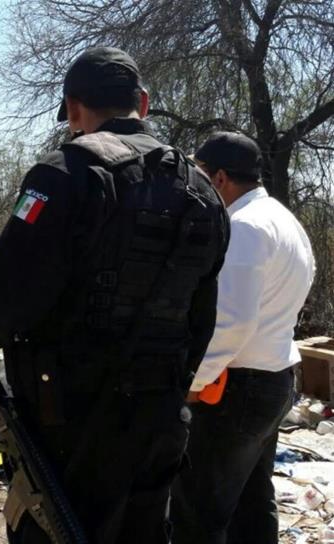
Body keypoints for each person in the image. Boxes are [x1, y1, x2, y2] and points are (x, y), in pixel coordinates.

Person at [0, 47, 229, 544]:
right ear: (143, 100)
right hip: (160, 417)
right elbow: (201, 320)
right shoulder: (204, 192)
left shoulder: (65, 174)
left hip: (71, 422)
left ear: (73, 109)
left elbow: (7, 288)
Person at [171, 132, 315, 544]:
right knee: (252, 502)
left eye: (198, 175)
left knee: (199, 511)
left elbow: (231, 323)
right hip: (276, 376)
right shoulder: (282, 219)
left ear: (218, 179)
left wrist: (193, 384)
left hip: (238, 389)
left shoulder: (244, 227)